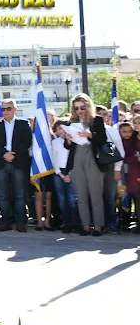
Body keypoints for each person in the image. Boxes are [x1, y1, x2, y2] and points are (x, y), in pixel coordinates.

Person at [65, 94, 107, 236]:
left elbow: (102, 140)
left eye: (82, 107)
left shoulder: (97, 121)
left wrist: (89, 135)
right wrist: (69, 139)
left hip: (92, 156)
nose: (79, 110)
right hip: (77, 157)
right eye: (76, 108)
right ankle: (85, 225)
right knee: (81, 194)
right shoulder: (71, 122)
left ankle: (98, 226)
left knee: (95, 194)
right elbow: (67, 146)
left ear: (88, 106)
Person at [0, 99, 32, 232]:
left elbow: (26, 142)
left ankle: (20, 222)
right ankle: (5, 222)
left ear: (15, 109)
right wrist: (4, 154)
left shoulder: (23, 124)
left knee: (20, 194)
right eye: (3, 109)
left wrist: (14, 154)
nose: (6, 111)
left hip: (18, 162)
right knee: (3, 195)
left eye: (9, 108)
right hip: (1, 163)